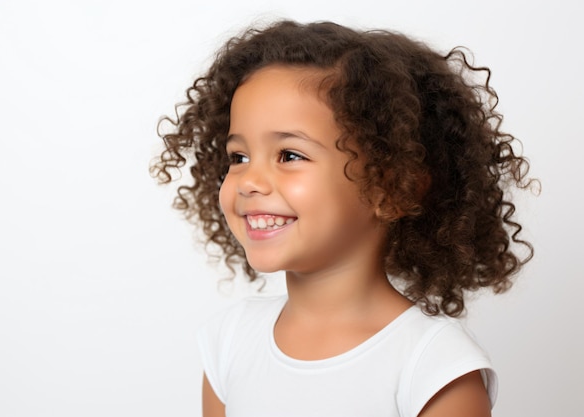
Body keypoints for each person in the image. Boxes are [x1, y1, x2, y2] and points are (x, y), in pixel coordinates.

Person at [151, 20, 534, 417]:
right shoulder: (228, 342)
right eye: (239, 157)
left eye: (289, 155)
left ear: (392, 188)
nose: (249, 181)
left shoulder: (432, 367)